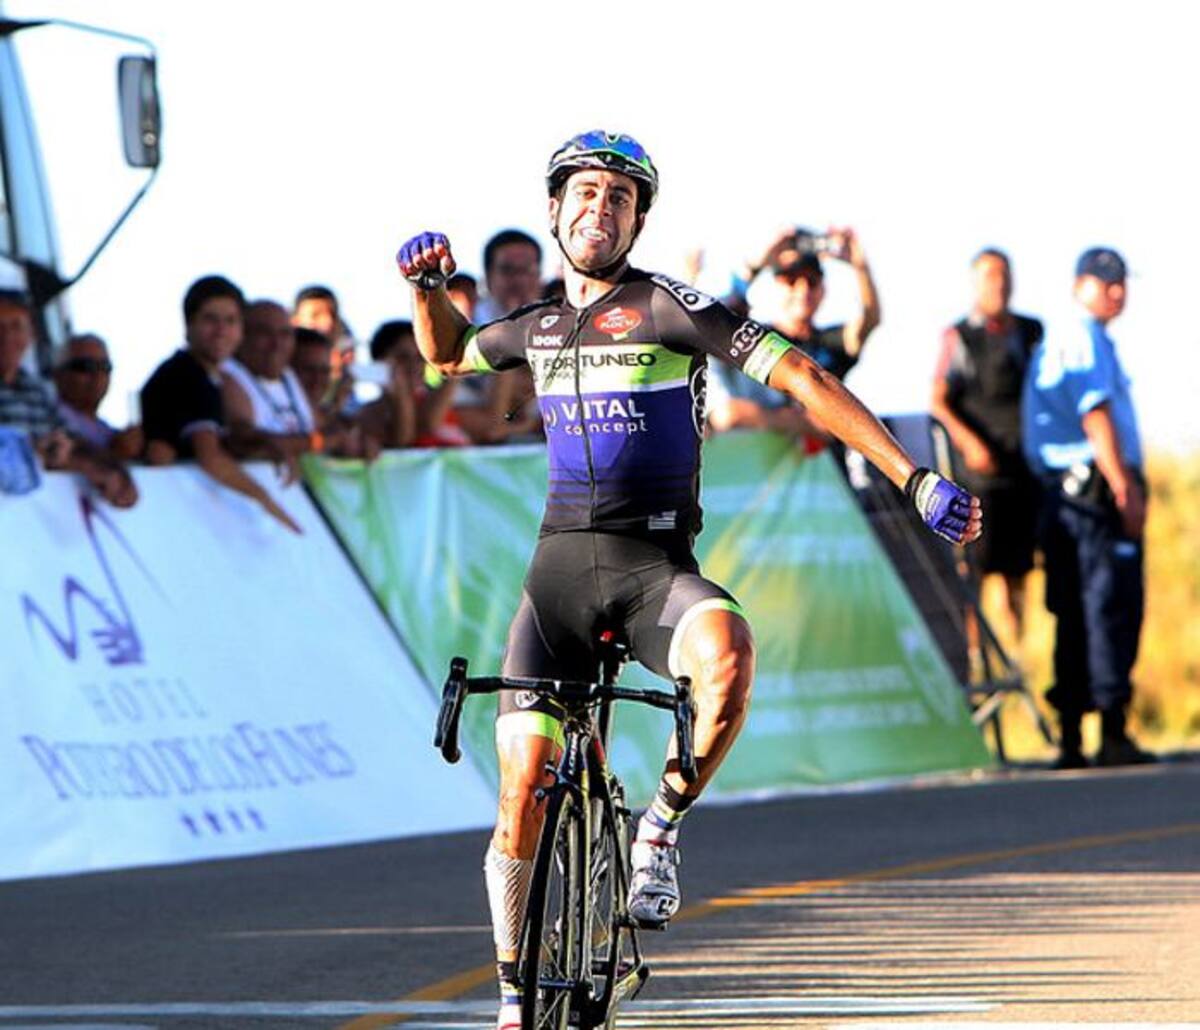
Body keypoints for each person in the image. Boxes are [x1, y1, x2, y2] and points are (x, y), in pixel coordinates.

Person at [396, 130, 982, 1030]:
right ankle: (515, 1000)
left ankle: (659, 828)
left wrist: (913, 476)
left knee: (729, 656)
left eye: (621, 198)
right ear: (554, 210)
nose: (600, 208)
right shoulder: (535, 328)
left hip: (653, 573)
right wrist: (426, 290)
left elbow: (804, 375)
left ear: (637, 221)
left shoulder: (670, 309)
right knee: (519, 788)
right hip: (554, 585)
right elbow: (444, 355)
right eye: (584, 193)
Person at [1023, 246, 1153, 769]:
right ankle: (1107, 729)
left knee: (1078, 611)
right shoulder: (1081, 336)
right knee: (1105, 607)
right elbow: (1095, 416)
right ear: (1080, 285)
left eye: (1122, 281)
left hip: (1071, 497)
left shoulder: (1085, 337)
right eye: (1106, 281)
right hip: (1090, 495)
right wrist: (1124, 487)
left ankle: (1077, 733)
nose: (1117, 290)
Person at [931, 249, 1043, 643]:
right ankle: (976, 659)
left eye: (1005, 275)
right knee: (973, 571)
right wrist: (970, 443)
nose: (999, 284)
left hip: (1023, 472)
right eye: (991, 276)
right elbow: (938, 398)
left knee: (1018, 572)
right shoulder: (960, 336)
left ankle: (1017, 653)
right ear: (975, 283)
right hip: (977, 476)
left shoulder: (1031, 333)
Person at [140, 275, 300, 533]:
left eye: (230, 321)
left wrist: (266, 448)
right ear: (189, 324)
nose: (221, 331)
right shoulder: (187, 375)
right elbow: (210, 457)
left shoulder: (208, 375)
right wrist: (264, 498)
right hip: (172, 515)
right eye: (210, 319)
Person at [0, 290, 137, 506]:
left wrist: (109, 468)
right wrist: (40, 453)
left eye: (16, 325)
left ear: (31, 334)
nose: (6, 336)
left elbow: (72, 440)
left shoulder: (37, 390)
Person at [357, 319, 468, 447]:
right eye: (402, 357)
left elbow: (492, 427)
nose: (414, 365)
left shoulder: (445, 404)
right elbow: (404, 444)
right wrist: (401, 397)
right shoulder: (371, 413)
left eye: (420, 358)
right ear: (380, 362)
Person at [53, 333, 144, 460]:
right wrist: (113, 453)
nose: (98, 375)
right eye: (86, 366)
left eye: (105, 367)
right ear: (58, 374)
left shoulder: (108, 431)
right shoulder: (46, 417)